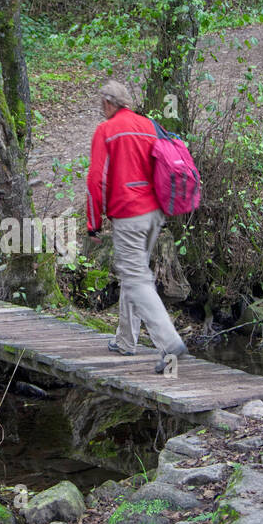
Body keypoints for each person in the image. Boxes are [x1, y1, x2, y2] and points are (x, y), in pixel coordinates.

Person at [86, 80, 188, 374]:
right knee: (134, 274)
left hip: (129, 214)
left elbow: (96, 179)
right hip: (154, 212)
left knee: (136, 278)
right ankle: (126, 340)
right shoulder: (148, 124)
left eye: (101, 103)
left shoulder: (106, 130)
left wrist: (93, 222)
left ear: (108, 103)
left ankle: (170, 344)